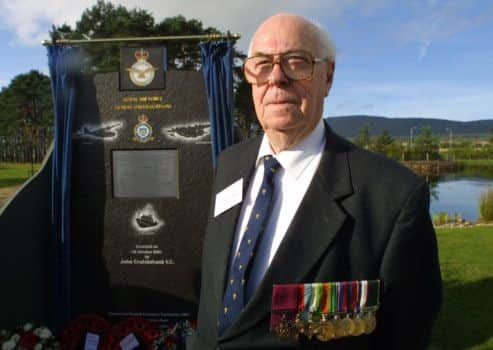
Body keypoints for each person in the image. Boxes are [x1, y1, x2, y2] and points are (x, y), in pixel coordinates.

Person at [187, 13, 442, 350]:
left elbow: (405, 335)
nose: (276, 78)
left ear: (328, 76)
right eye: (261, 64)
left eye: (296, 61)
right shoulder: (229, 165)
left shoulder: (393, 198)